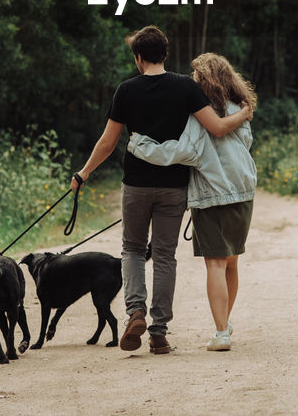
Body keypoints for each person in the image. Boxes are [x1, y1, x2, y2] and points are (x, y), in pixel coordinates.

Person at [71, 27, 251, 355]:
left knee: (133, 250)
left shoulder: (126, 90)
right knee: (165, 256)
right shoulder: (185, 87)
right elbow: (216, 127)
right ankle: (158, 330)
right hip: (173, 186)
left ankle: (135, 311)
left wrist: (83, 173)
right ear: (165, 54)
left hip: (136, 184)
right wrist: (245, 111)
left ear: (139, 58)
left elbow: (108, 142)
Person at [126, 52, 256, 353]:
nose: (192, 81)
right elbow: (244, 144)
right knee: (232, 261)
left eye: (196, 77)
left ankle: (222, 332)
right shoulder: (240, 108)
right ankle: (224, 322)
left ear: (205, 80)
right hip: (244, 192)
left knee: (215, 263)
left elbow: (178, 152)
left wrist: (138, 144)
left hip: (212, 196)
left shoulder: (198, 117)